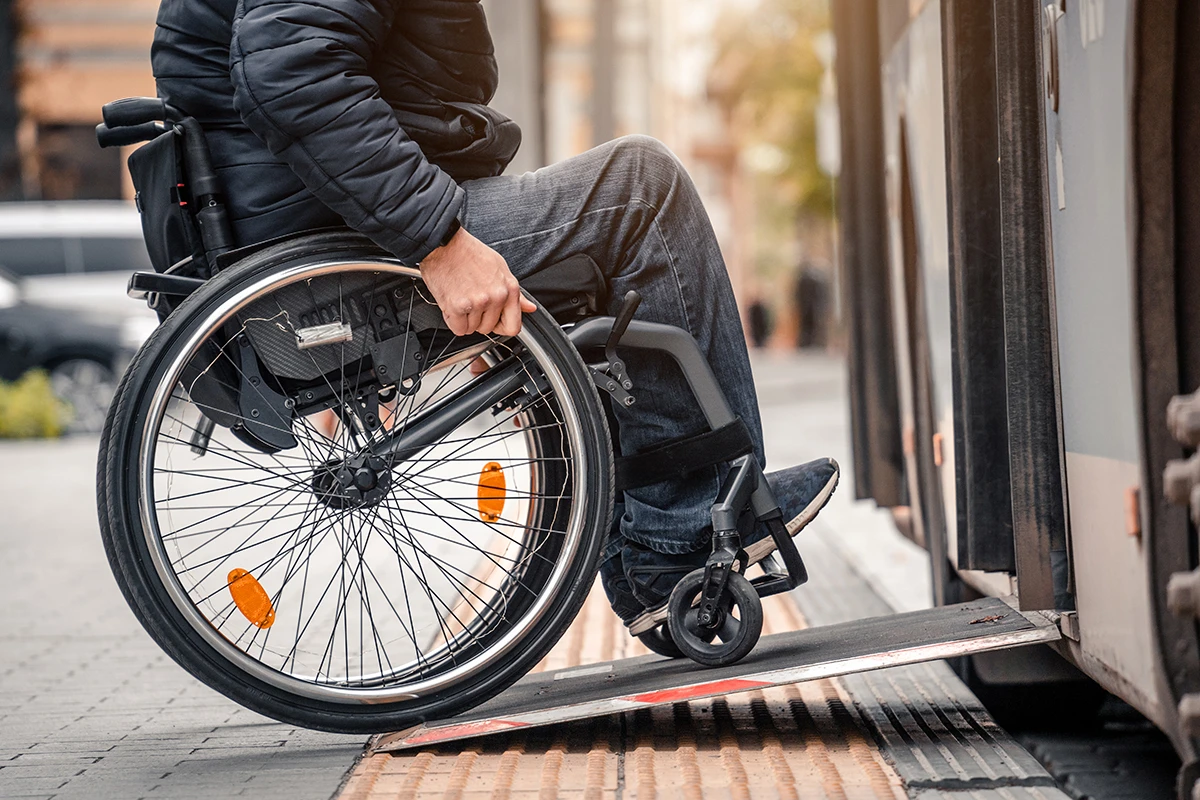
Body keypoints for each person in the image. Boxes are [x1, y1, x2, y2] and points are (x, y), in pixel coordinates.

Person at [150, 0, 839, 636]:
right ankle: (684, 532)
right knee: (642, 191)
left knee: (599, 233)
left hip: (304, 220)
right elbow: (290, 65)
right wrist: (440, 245)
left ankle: (653, 563)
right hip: (328, 239)